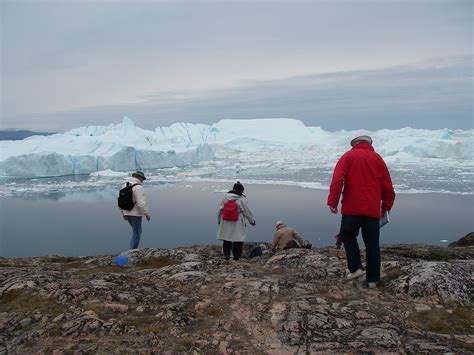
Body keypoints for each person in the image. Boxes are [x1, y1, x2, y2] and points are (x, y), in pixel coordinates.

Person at [327, 135, 395, 288]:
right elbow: (388, 187)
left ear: (355, 144)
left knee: (348, 235)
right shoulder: (378, 159)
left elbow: (338, 179)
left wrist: (333, 202)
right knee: (372, 244)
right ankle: (373, 280)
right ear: (369, 144)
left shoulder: (348, 156)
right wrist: (386, 207)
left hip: (351, 209)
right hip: (372, 211)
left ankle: (356, 268)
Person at [217, 181, 256, 260]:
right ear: (241, 191)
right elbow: (247, 211)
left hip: (225, 220)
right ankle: (236, 257)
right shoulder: (240, 200)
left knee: (226, 238)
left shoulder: (225, 198)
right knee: (238, 239)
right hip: (237, 221)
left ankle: (226, 255)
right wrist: (252, 221)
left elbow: (220, 210)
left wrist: (219, 220)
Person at [119, 171, 151, 249]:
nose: (143, 180)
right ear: (139, 177)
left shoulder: (124, 185)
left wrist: (123, 212)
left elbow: (120, 201)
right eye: (142, 178)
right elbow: (140, 203)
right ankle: (132, 251)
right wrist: (147, 214)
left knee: (135, 231)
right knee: (137, 232)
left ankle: (132, 249)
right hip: (135, 214)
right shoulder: (138, 187)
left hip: (126, 213)